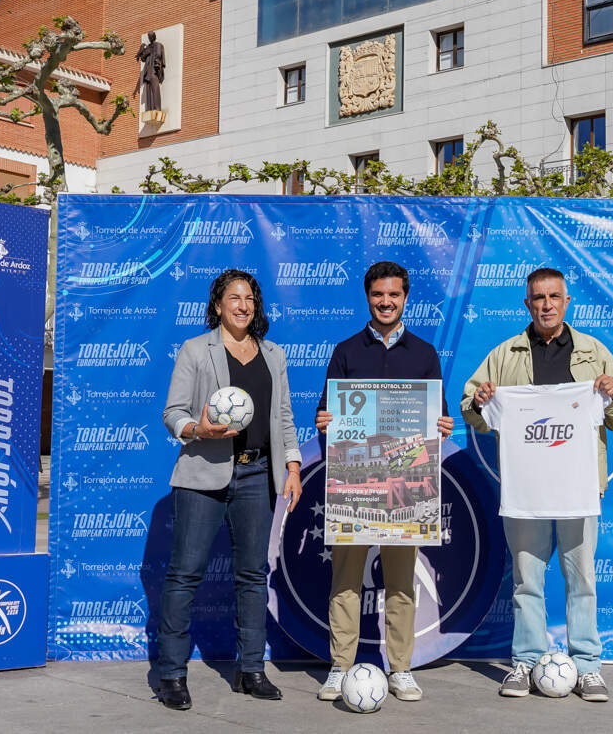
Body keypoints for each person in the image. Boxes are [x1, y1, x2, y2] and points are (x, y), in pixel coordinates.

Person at [461, 267, 613, 703]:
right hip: (526, 493)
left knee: (582, 582)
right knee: (527, 584)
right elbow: (471, 408)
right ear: (527, 304)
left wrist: (612, 393)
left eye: (553, 296)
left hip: (578, 490)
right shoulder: (506, 353)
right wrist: (479, 402)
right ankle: (524, 661)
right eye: (537, 298)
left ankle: (589, 666)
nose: (546, 305)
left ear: (566, 301)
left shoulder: (593, 352)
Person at [155, 269, 303, 710]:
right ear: (218, 304)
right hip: (204, 473)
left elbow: (284, 417)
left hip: (258, 474)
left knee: (254, 575)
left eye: (250, 299)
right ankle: (171, 675)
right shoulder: (195, 350)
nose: (243, 305)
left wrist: (292, 467)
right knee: (185, 574)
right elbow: (172, 413)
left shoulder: (273, 354)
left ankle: (251, 670)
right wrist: (194, 428)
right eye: (234, 297)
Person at [315, 261, 453, 703]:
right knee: (346, 582)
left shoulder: (425, 353)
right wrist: (324, 420)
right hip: (355, 485)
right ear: (367, 297)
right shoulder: (345, 351)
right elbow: (327, 415)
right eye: (378, 295)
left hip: (407, 488)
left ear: (405, 298)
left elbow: (438, 416)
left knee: (400, 583)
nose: (386, 302)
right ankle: (340, 666)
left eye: (394, 295)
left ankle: (401, 669)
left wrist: (442, 425)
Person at [135, 31, 166, 112]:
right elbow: (143, 59)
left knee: (155, 88)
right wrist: (142, 50)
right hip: (147, 72)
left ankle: (157, 108)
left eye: (151, 36)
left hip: (154, 70)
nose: (150, 38)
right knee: (148, 90)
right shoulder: (148, 47)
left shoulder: (158, 45)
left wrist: (155, 59)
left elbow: (159, 55)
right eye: (149, 37)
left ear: (154, 37)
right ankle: (149, 109)